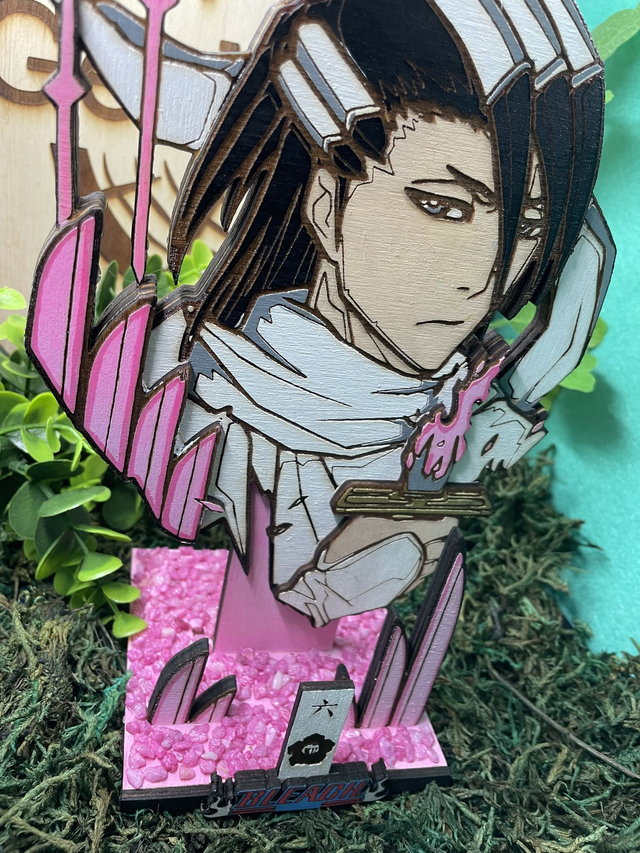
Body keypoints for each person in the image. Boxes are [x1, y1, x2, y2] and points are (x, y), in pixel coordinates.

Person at [30, 0, 614, 629]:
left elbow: (585, 264)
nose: (483, 278)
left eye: (524, 229)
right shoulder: (194, 396)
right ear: (327, 204)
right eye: (442, 206)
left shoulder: (463, 412)